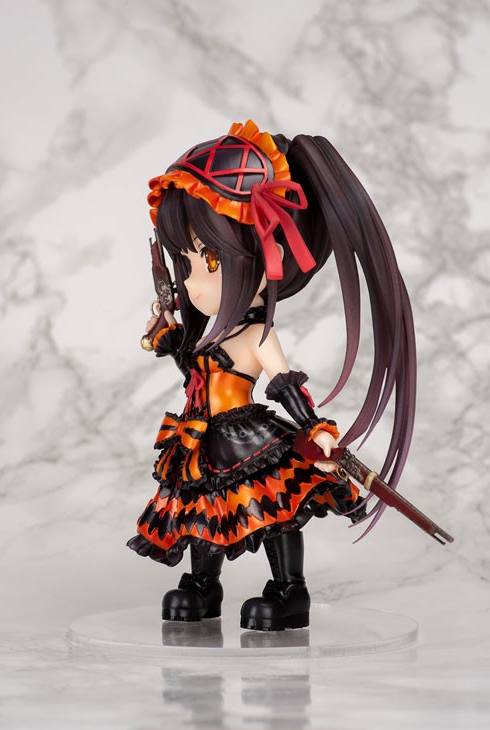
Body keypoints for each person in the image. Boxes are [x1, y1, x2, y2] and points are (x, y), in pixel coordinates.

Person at [127, 120, 416, 631]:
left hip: (246, 437)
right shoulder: (209, 335)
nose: (194, 284)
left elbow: (284, 385)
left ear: (270, 259)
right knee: (202, 509)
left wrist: (315, 428)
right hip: (201, 437)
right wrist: (171, 341)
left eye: (210, 259)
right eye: (187, 264)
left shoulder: (256, 337)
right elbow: (196, 376)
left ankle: (289, 590)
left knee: (275, 507)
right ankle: (203, 584)